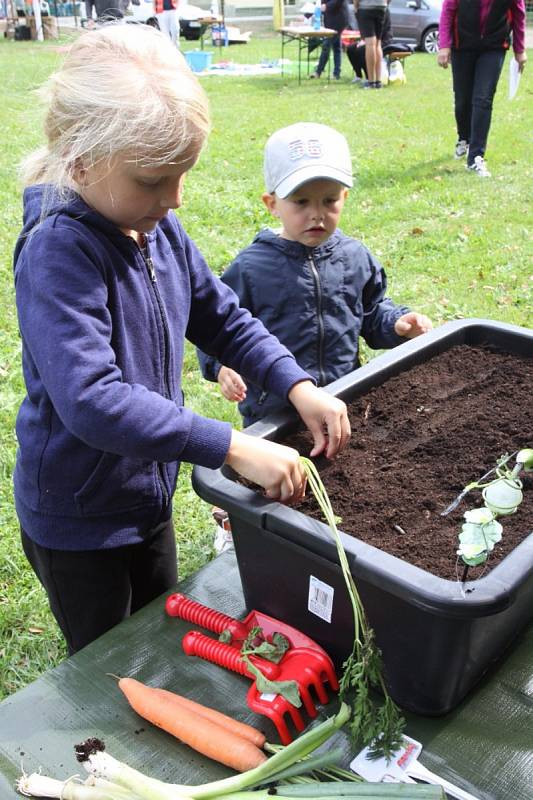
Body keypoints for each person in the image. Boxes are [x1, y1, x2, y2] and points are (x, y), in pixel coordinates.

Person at [13, 27, 350, 656]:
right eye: (152, 180)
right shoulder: (58, 252)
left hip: (147, 492)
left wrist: (296, 383)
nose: (174, 199)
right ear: (81, 161)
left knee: (157, 632)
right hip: (79, 516)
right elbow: (92, 399)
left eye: (182, 176)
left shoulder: (153, 225)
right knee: (106, 659)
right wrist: (228, 445)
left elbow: (221, 318)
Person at [197, 123, 433, 428]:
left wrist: (396, 324)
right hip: (275, 413)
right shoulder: (251, 268)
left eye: (329, 200)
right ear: (272, 204)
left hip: (343, 398)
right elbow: (217, 327)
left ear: (344, 198)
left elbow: (371, 313)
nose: (317, 213)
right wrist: (221, 366)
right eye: (301, 201)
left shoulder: (354, 257)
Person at [438, 0, 527, 177]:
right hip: (462, 45)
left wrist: (520, 49)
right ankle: (464, 138)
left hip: (494, 46)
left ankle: (476, 156)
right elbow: (448, 11)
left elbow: (518, 14)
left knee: (483, 98)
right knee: (463, 99)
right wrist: (444, 45)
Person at [309, 0, 350, 81]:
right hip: (331, 19)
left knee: (326, 45)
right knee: (336, 47)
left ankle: (318, 71)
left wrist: (327, 6)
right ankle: (336, 73)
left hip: (339, 18)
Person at [354, 0, 388, 88]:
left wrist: (356, 6)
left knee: (370, 44)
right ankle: (378, 81)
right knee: (377, 43)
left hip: (366, 7)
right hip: (381, 7)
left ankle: (371, 81)